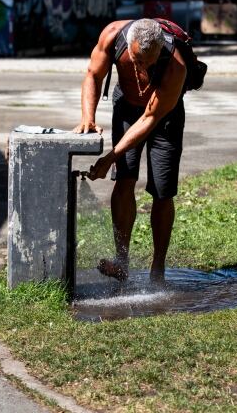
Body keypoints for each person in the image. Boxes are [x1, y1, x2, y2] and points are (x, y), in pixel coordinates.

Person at [74, 18, 188, 283]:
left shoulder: (176, 65)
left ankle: (157, 269)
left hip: (163, 115)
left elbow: (150, 119)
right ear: (129, 45)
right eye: (137, 60)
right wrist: (87, 117)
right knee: (124, 179)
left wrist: (110, 156)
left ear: (161, 50)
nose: (141, 69)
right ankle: (121, 262)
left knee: (162, 190)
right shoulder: (113, 35)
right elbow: (93, 74)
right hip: (126, 105)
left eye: (150, 62)